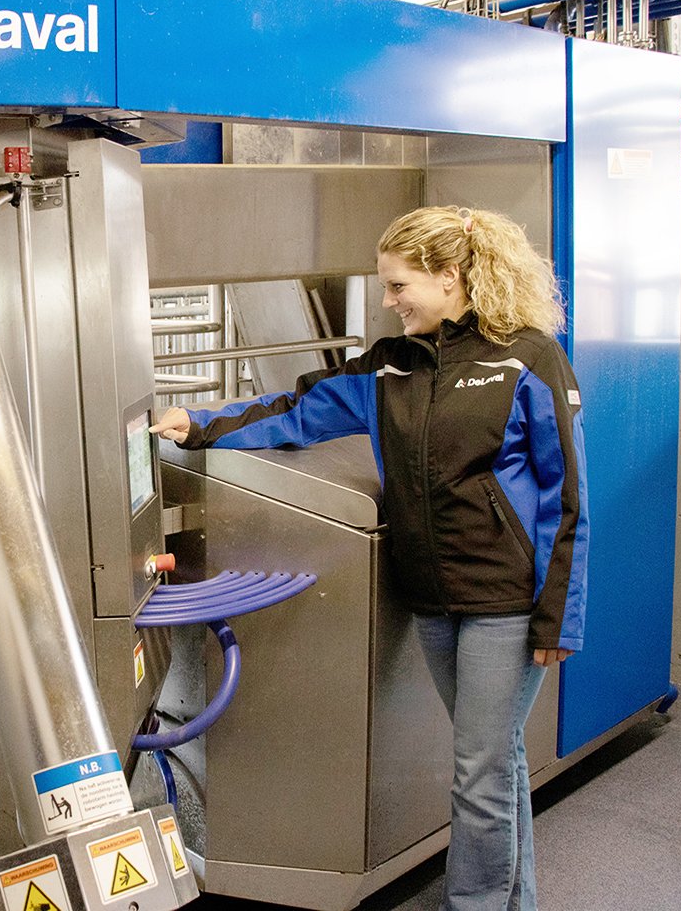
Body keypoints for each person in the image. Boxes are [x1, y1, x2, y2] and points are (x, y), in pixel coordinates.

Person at [151, 205, 588, 911]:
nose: (388, 301)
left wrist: (558, 620)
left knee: (478, 770)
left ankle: (473, 905)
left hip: (506, 602)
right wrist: (200, 425)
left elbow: (565, 498)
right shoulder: (391, 365)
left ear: (450, 277)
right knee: (494, 762)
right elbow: (297, 410)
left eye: (397, 285)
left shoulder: (528, 357)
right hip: (432, 597)